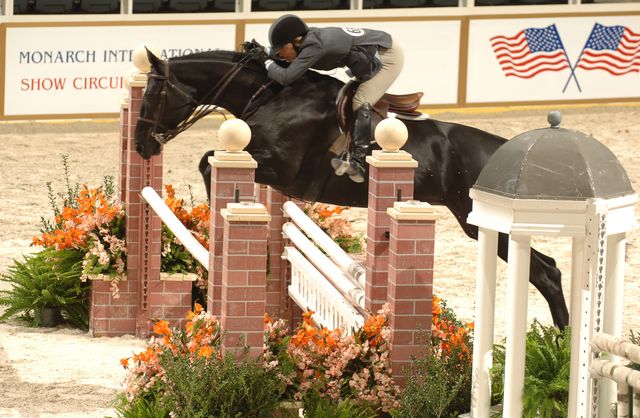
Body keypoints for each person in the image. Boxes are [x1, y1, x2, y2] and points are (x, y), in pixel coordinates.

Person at [261, 14, 404, 183]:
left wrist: (266, 62)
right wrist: (265, 55)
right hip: (373, 53)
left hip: (387, 57)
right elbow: (285, 61)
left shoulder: (314, 46)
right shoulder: (307, 42)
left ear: (296, 41)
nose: (280, 55)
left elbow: (286, 77)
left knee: (360, 101)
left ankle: (357, 160)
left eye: (280, 50)